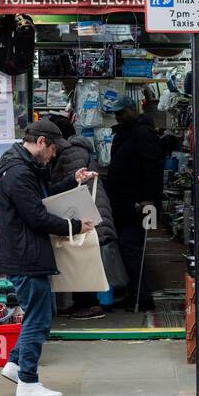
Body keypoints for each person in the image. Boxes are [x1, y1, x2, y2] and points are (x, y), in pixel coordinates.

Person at [0, 119, 94, 396]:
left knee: (40, 312)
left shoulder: (25, 167)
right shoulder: (18, 172)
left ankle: (14, 365)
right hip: (26, 254)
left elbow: (43, 198)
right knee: (38, 317)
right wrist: (73, 226)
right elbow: (36, 216)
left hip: (27, 252)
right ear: (40, 143)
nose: (54, 155)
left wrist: (73, 180)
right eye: (53, 149)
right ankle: (28, 381)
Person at [49, 113, 117, 321]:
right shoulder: (75, 149)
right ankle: (82, 303)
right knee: (80, 255)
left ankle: (90, 304)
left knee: (82, 255)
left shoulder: (71, 152)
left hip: (86, 208)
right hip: (88, 207)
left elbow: (76, 186)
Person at [105, 96, 165, 313]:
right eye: (116, 113)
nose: (118, 117)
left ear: (133, 110)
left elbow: (154, 168)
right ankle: (135, 293)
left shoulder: (143, 133)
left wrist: (149, 199)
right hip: (122, 202)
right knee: (126, 248)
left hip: (137, 203)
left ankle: (143, 296)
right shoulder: (125, 132)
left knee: (131, 249)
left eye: (121, 113)